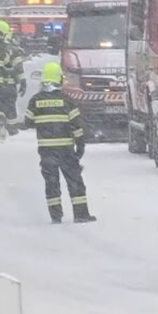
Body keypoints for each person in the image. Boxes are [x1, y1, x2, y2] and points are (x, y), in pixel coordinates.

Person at [24, 62, 95, 224]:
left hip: (46, 150)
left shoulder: (35, 101)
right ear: (59, 80)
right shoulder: (67, 101)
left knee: (51, 182)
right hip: (66, 150)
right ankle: (81, 214)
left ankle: (55, 216)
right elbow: (77, 126)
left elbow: (28, 122)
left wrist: (44, 122)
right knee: (74, 181)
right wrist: (80, 146)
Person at [0, 20, 26, 135]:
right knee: (10, 108)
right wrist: (23, 82)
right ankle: (12, 129)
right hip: (9, 85)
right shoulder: (13, 50)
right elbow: (19, 67)